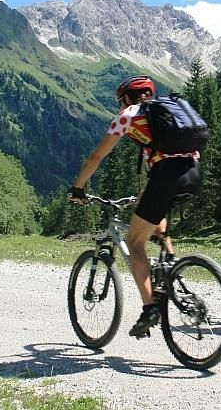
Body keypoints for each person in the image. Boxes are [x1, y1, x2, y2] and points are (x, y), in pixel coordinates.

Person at [68, 75, 202, 337]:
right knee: (151, 208)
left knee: (134, 242)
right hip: (194, 173)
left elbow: (97, 156)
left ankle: (150, 308)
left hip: (166, 175)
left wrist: (78, 187)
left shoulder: (129, 115)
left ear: (127, 98)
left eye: (121, 101)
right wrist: (144, 194)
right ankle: (170, 262)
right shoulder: (165, 117)